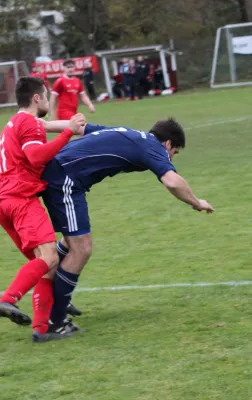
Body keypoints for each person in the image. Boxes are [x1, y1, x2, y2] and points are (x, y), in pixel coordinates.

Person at [40, 119, 214, 332]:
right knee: (82, 248)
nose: (171, 157)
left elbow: (80, 127)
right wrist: (197, 203)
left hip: (60, 173)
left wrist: (44, 124)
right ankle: (55, 321)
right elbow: (172, 181)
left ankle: (55, 298)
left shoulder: (129, 134)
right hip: (65, 179)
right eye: (174, 152)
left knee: (71, 242)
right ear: (167, 144)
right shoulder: (153, 147)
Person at [0, 76, 86, 343]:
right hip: (21, 199)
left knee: (44, 263)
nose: (48, 100)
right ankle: (7, 299)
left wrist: (71, 127)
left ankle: (43, 329)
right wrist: (67, 133)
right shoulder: (30, 122)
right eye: (46, 94)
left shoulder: (13, 122)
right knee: (51, 257)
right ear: (36, 98)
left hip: (4, 202)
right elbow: (36, 156)